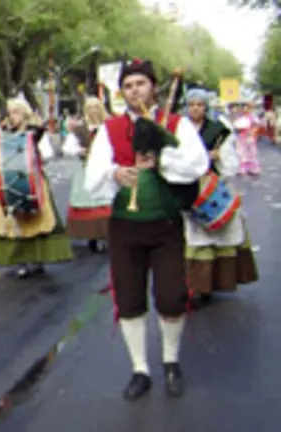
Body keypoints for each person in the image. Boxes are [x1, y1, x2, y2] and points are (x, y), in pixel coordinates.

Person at [84, 59, 209, 401]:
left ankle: (171, 360)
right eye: (128, 85)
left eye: (140, 83)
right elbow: (92, 177)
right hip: (125, 227)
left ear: (153, 87)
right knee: (129, 300)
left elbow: (198, 164)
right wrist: (115, 174)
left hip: (166, 225)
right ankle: (140, 369)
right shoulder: (110, 130)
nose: (134, 90)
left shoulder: (176, 123)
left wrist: (162, 160)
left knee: (171, 297)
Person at [183, 88, 258, 308]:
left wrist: (218, 159)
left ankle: (217, 281)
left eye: (200, 104)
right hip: (190, 189)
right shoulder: (182, 130)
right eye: (192, 104)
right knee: (194, 237)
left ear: (206, 107)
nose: (196, 108)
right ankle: (198, 285)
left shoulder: (218, 130)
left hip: (215, 189)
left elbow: (231, 162)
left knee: (220, 232)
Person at [0, 97, 74, 278]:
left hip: (33, 181)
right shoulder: (3, 133)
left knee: (36, 221)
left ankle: (37, 259)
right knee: (14, 223)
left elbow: (44, 147)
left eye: (16, 112)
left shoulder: (34, 132)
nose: (12, 116)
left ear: (24, 112)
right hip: (9, 182)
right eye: (10, 112)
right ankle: (21, 261)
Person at [63, 97, 112, 252]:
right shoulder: (80, 129)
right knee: (88, 201)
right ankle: (92, 236)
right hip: (86, 170)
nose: (93, 110)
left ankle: (106, 235)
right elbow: (67, 148)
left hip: (106, 170)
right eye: (90, 107)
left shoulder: (109, 126)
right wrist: (81, 151)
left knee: (105, 201)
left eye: (96, 107)